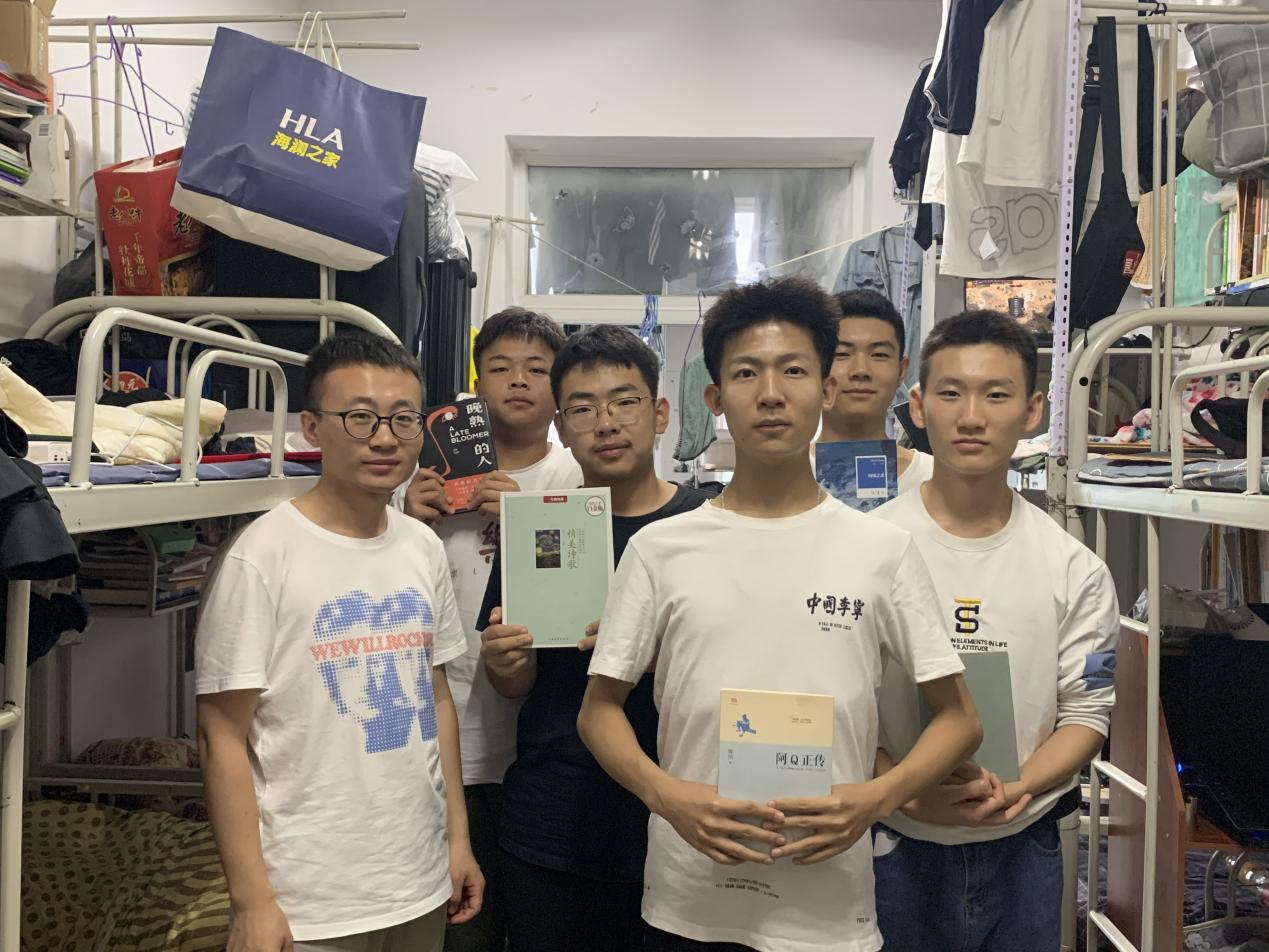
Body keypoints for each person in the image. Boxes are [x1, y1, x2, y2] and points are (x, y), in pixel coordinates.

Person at [577, 276, 983, 952]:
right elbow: (598, 711)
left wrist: (877, 798)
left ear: (825, 390)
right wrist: (666, 796)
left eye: (793, 370)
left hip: (828, 910)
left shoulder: (881, 550)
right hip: (689, 899)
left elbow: (960, 718)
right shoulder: (659, 549)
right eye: (745, 373)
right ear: (714, 400)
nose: (770, 393)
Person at [195, 332, 483, 952]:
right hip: (309, 898)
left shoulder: (422, 546)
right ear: (312, 428)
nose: (384, 438)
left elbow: (436, 699)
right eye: (359, 417)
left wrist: (457, 840)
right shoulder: (261, 556)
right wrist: (251, 901)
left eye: (403, 419)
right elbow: (221, 735)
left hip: (419, 878)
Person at [872, 310, 1119, 952]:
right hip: (891, 843)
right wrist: (901, 791)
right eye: (951, 393)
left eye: (997, 395)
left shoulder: (1074, 568)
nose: (972, 416)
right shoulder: (869, 550)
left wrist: (1019, 786)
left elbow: (1087, 714)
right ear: (919, 406)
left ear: (1033, 410)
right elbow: (840, 702)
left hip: (1024, 845)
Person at [476, 324, 713, 952]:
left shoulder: (707, 527)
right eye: (582, 409)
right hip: (553, 822)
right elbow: (514, 684)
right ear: (561, 425)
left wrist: (656, 648)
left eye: (624, 402)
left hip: (683, 818)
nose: (605, 423)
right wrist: (504, 662)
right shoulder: (538, 525)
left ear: (659, 414)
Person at [399, 307, 581, 951]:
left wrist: (529, 522)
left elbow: (580, 598)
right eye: (501, 367)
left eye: (537, 368)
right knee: (464, 932)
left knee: (541, 928)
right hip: (449, 743)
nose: (519, 380)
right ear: (477, 386)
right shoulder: (424, 479)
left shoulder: (574, 477)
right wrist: (406, 523)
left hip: (541, 746)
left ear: (559, 387)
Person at [818, 289, 933, 494]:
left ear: (901, 370)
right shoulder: (782, 474)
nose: (861, 370)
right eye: (841, 354)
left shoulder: (935, 478)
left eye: (879, 354)